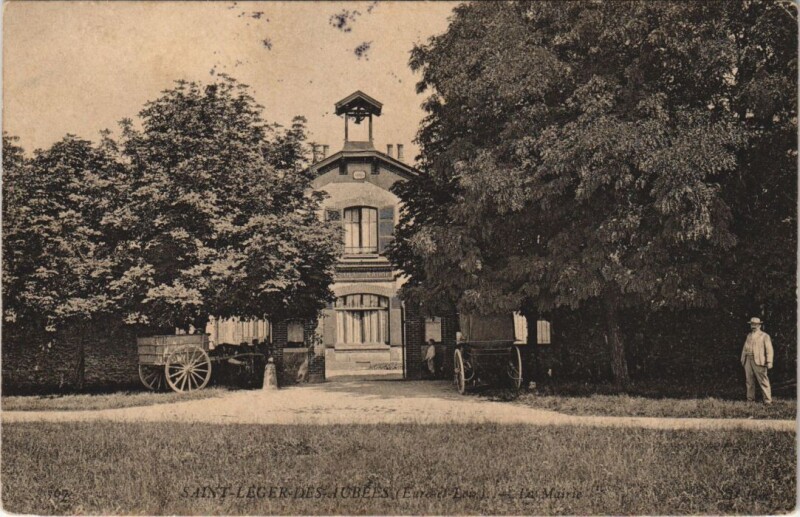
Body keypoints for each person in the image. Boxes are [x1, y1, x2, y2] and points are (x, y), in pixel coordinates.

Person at [740, 317, 774, 404]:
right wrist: (743, 358)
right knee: (749, 381)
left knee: (763, 380)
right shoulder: (749, 335)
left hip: (759, 361)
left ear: (759, 325)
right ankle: (750, 400)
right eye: (752, 324)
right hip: (748, 359)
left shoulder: (764, 336)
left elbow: (769, 349)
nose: (753, 326)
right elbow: (745, 348)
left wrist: (769, 361)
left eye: (755, 324)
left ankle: (767, 401)